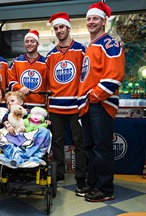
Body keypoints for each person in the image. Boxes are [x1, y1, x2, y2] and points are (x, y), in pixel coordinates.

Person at [78, 2, 125, 202]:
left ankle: (105, 190)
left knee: (101, 148)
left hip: (100, 104)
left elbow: (115, 75)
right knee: (90, 147)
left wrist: (94, 96)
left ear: (103, 21)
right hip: (89, 105)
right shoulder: (91, 47)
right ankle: (94, 185)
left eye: (95, 18)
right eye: (88, 19)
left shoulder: (110, 44)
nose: (91, 22)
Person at [45, 12, 87, 196]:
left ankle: (81, 178)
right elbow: (47, 82)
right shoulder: (50, 55)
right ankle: (59, 174)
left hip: (76, 106)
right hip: (55, 107)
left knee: (80, 143)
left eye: (61, 27)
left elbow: (86, 76)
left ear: (68, 28)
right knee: (57, 142)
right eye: (56, 28)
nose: (59, 31)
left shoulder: (81, 50)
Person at [8, 30, 47, 108]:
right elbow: (10, 81)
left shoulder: (45, 63)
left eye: (32, 41)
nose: (29, 44)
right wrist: (20, 88)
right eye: (27, 41)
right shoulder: (17, 61)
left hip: (40, 107)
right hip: (20, 105)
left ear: (37, 44)